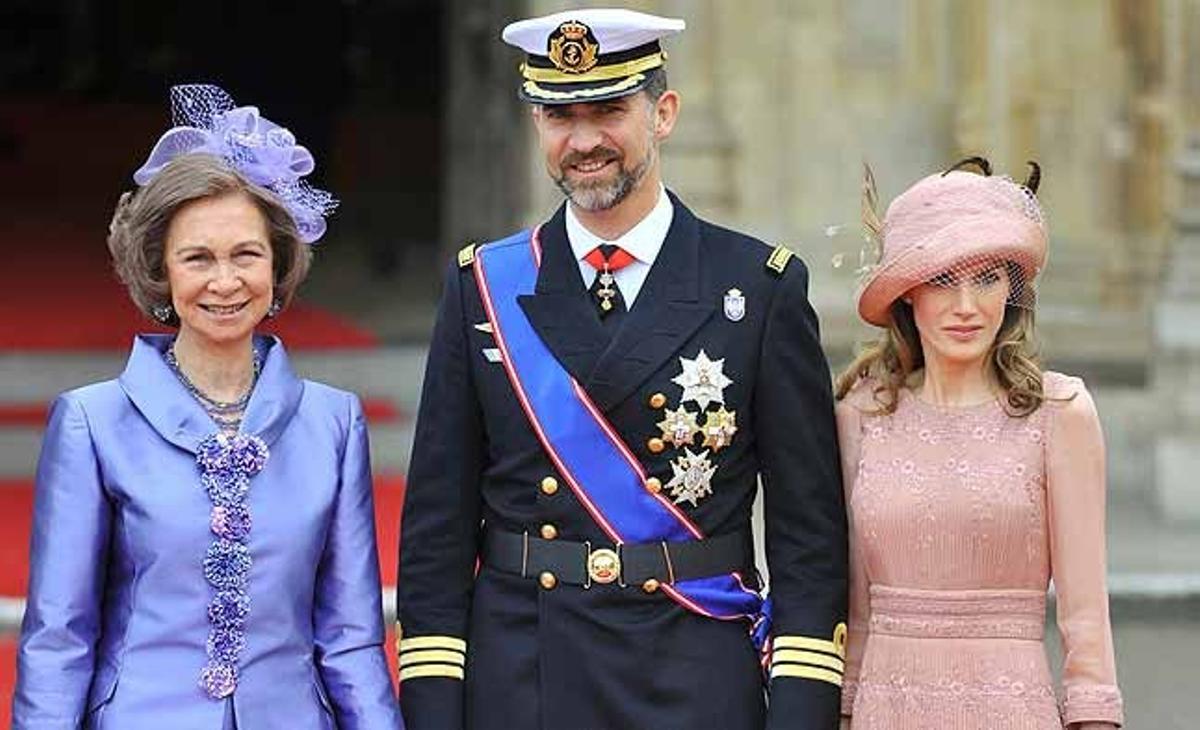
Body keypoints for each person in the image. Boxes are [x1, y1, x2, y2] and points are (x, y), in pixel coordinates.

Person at [397, 8, 846, 730]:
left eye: (608, 110)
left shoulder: (758, 290)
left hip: (694, 670)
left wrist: (799, 707)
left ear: (663, 114)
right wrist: (434, 706)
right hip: (526, 675)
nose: (583, 141)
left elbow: (808, 538)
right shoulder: (482, 286)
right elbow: (436, 532)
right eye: (559, 116)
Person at [13, 84, 403, 729]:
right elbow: (60, 636)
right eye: (198, 258)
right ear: (161, 271)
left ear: (278, 264)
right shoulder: (92, 422)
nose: (225, 281)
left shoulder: (332, 422)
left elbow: (351, 637)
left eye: (246, 254)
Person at [834, 158, 1124, 729]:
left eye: (987, 278)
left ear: (1011, 290)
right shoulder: (861, 415)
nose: (966, 306)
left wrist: (1095, 718)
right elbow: (855, 613)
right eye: (943, 280)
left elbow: (1086, 618)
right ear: (907, 294)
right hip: (885, 711)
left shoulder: (1059, 414)